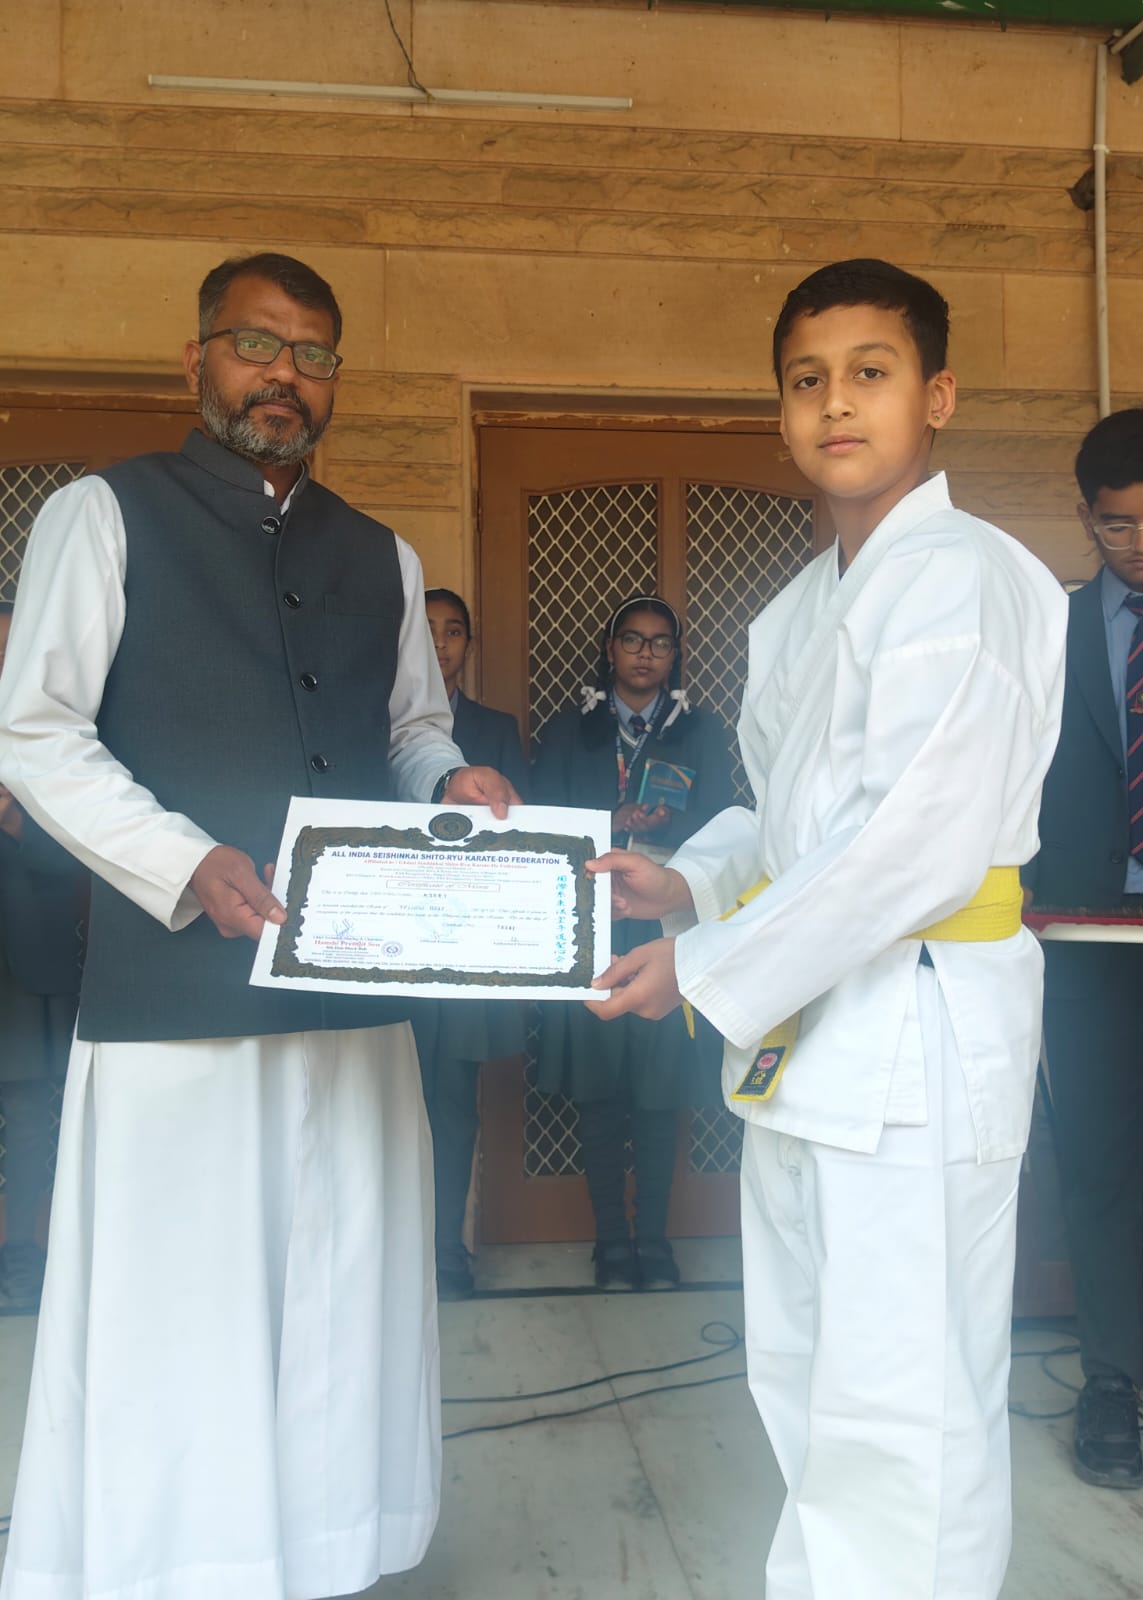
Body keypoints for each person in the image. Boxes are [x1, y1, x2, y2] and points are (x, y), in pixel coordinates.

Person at [0, 251, 518, 1600]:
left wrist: (450, 785)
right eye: (256, 344)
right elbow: (35, 732)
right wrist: (182, 861)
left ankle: (330, 1558)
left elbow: (411, 731)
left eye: (313, 354)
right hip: (177, 1000)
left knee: (344, 1296)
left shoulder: (384, 554)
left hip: (352, 993)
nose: (285, 375)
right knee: (186, 1306)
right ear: (197, 361)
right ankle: (179, 1566)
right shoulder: (102, 516)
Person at [586, 261, 1068, 1597]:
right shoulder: (803, 604)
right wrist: (688, 881)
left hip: (919, 1019)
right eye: (808, 380)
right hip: (810, 1037)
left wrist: (703, 966)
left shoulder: (965, 577)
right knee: (806, 1374)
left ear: (939, 396)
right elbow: (786, 814)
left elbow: (909, 845)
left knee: (905, 1404)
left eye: (871, 372)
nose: (837, 403)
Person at [1026, 407, 1143, 1491]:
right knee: (1095, 1164)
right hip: (1084, 939)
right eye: (1118, 524)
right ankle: (1109, 1386)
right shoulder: (1045, 633)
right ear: (1085, 518)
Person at [534, 596, 734, 1291]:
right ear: (610, 649)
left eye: (660, 643)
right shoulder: (572, 729)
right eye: (632, 640)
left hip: (668, 927)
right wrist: (608, 816)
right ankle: (610, 1244)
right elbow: (542, 819)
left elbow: (725, 826)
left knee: (659, 1091)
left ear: (675, 655)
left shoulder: (700, 730)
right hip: (587, 923)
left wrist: (664, 830)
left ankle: (654, 1241)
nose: (645, 654)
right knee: (598, 1091)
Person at [412, 587, 529, 1298]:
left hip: (466, 943)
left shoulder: (496, 729)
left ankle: (445, 1254)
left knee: (453, 1101)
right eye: (426, 629)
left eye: (454, 630)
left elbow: (523, 832)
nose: (440, 643)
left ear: (468, 645)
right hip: (389, 940)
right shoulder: (375, 727)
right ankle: (392, 1255)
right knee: (377, 1100)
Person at [0, 603, 87, 1312]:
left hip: (23, 962)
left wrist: (11, 816)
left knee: (29, 1115)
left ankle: (22, 1264)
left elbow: (83, 855)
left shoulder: (51, 738)